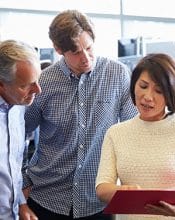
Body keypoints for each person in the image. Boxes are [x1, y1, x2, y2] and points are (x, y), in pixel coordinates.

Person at [22, 9, 137, 220]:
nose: (85, 58)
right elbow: (16, 133)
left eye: (89, 48)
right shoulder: (44, 82)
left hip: (96, 200)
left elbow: (133, 131)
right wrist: (23, 181)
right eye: (75, 52)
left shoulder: (117, 74)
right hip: (47, 198)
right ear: (59, 49)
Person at [96, 53, 175, 220]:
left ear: (171, 94)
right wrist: (122, 191)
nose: (148, 97)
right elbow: (102, 189)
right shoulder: (116, 133)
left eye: (159, 90)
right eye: (143, 86)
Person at [0, 40, 41, 220]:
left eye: (36, 81)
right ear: (1, 84)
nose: (37, 90)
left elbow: (13, 165)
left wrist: (21, 205)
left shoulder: (18, 106)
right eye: (25, 85)